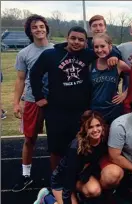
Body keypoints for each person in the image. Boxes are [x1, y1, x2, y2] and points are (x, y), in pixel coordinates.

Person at [30, 26, 117, 173]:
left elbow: (105, 50)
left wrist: (114, 56)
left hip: (81, 111)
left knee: (80, 146)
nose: (77, 42)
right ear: (67, 38)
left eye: (81, 40)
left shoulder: (89, 54)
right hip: (56, 110)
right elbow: (34, 73)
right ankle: (56, 181)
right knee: (56, 149)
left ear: (85, 42)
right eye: (73, 38)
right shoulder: (50, 55)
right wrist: (38, 96)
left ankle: (76, 179)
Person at [31, 111, 123, 204]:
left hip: (78, 177)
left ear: (103, 126)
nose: (95, 130)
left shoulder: (103, 140)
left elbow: (94, 161)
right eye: (90, 127)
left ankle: (81, 198)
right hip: (62, 181)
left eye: (98, 125)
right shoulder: (76, 148)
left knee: (95, 190)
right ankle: (46, 197)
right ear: (84, 129)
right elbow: (68, 179)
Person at [12, 14, 54, 192]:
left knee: (56, 139)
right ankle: (26, 175)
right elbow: (20, 79)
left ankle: (56, 174)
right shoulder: (24, 53)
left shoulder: (57, 49)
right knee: (30, 139)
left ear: (46, 28)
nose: (39, 29)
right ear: (30, 31)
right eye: (35, 27)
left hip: (54, 101)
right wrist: (16, 103)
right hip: (32, 101)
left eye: (41, 26)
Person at [90, 33, 131, 124]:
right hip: (95, 111)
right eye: (96, 47)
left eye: (102, 46)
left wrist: (125, 93)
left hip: (113, 110)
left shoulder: (119, 64)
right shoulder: (91, 65)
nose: (99, 50)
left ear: (110, 46)